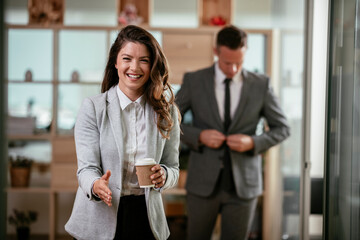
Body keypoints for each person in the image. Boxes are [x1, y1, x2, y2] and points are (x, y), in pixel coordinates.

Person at [65, 25, 181, 240]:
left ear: (152, 65)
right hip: (100, 214)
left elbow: (173, 167)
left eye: (144, 60)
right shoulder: (93, 107)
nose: (134, 67)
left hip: (146, 217)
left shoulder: (167, 112)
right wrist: (95, 184)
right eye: (127, 58)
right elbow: (86, 168)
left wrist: (164, 175)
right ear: (115, 62)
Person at [175, 25, 290, 240]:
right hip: (202, 186)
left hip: (244, 188)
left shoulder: (261, 85)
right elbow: (168, 121)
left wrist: (253, 142)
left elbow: (282, 128)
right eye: (228, 63)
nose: (234, 69)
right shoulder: (195, 81)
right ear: (216, 51)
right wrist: (198, 136)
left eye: (240, 62)